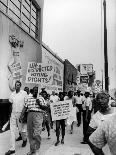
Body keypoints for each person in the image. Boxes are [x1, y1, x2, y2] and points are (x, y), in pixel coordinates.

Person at [5, 81, 27, 155]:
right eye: (16, 85)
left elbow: (25, 105)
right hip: (13, 114)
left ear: (20, 86)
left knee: (21, 130)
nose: (17, 86)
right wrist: (10, 115)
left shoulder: (24, 93)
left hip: (21, 114)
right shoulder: (12, 95)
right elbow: (10, 105)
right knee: (12, 131)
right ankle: (12, 149)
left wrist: (23, 115)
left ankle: (24, 139)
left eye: (18, 85)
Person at [20, 86, 44, 155]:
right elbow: (25, 107)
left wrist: (39, 103)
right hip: (30, 114)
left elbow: (45, 108)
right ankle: (32, 150)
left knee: (37, 133)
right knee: (30, 133)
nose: (35, 91)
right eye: (34, 90)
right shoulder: (28, 98)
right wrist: (21, 115)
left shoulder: (41, 98)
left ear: (39, 91)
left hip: (38, 114)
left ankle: (37, 150)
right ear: (32, 91)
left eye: (37, 90)